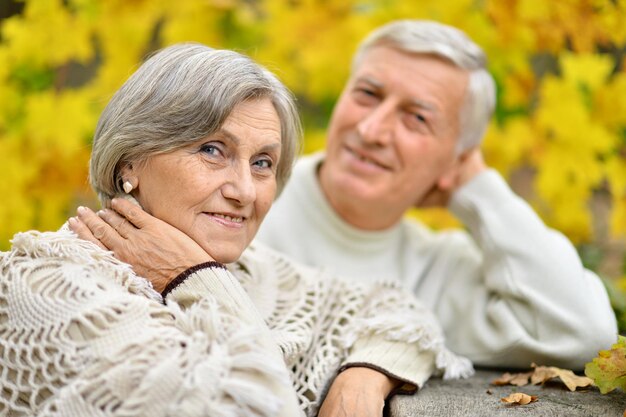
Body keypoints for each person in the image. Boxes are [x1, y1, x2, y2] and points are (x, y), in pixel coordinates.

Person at [0, 43, 472, 417]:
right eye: (212, 150)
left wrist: (362, 380)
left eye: (263, 162)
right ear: (130, 163)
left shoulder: (257, 274)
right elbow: (250, 405)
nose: (245, 190)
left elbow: (397, 311)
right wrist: (196, 281)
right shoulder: (46, 289)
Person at [254, 19, 618, 370]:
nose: (371, 130)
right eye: (367, 94)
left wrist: (479, 190)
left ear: (456, 160)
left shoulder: (439, 273)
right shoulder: (244, 198)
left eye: (417, 118)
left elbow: (584, 331)